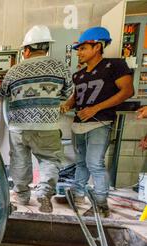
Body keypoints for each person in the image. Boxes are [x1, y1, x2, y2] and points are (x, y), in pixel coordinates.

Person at [61, 26, 134, 217]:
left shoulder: (115, 66)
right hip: (79, 124)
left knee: (95, 163)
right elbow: (77, 96)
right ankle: (77, 196)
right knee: (81, 162)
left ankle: (101, 205)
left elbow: (127, 91)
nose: (80, 53)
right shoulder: (78, 75)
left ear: (97, 47)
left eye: (83, 48)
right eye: (79, 49)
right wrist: (67, 104)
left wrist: (96, 108)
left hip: (100, 123)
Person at [0, 25, 73, 213]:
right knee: (49, 159)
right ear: (46, 47)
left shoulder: (14, 71)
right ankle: (44, 194)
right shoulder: (59, 66)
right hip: (47, 125)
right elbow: (69, 93)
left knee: (20, 161)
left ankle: (22, 196)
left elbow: (3, 93)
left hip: (18, 126)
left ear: (26, 50)